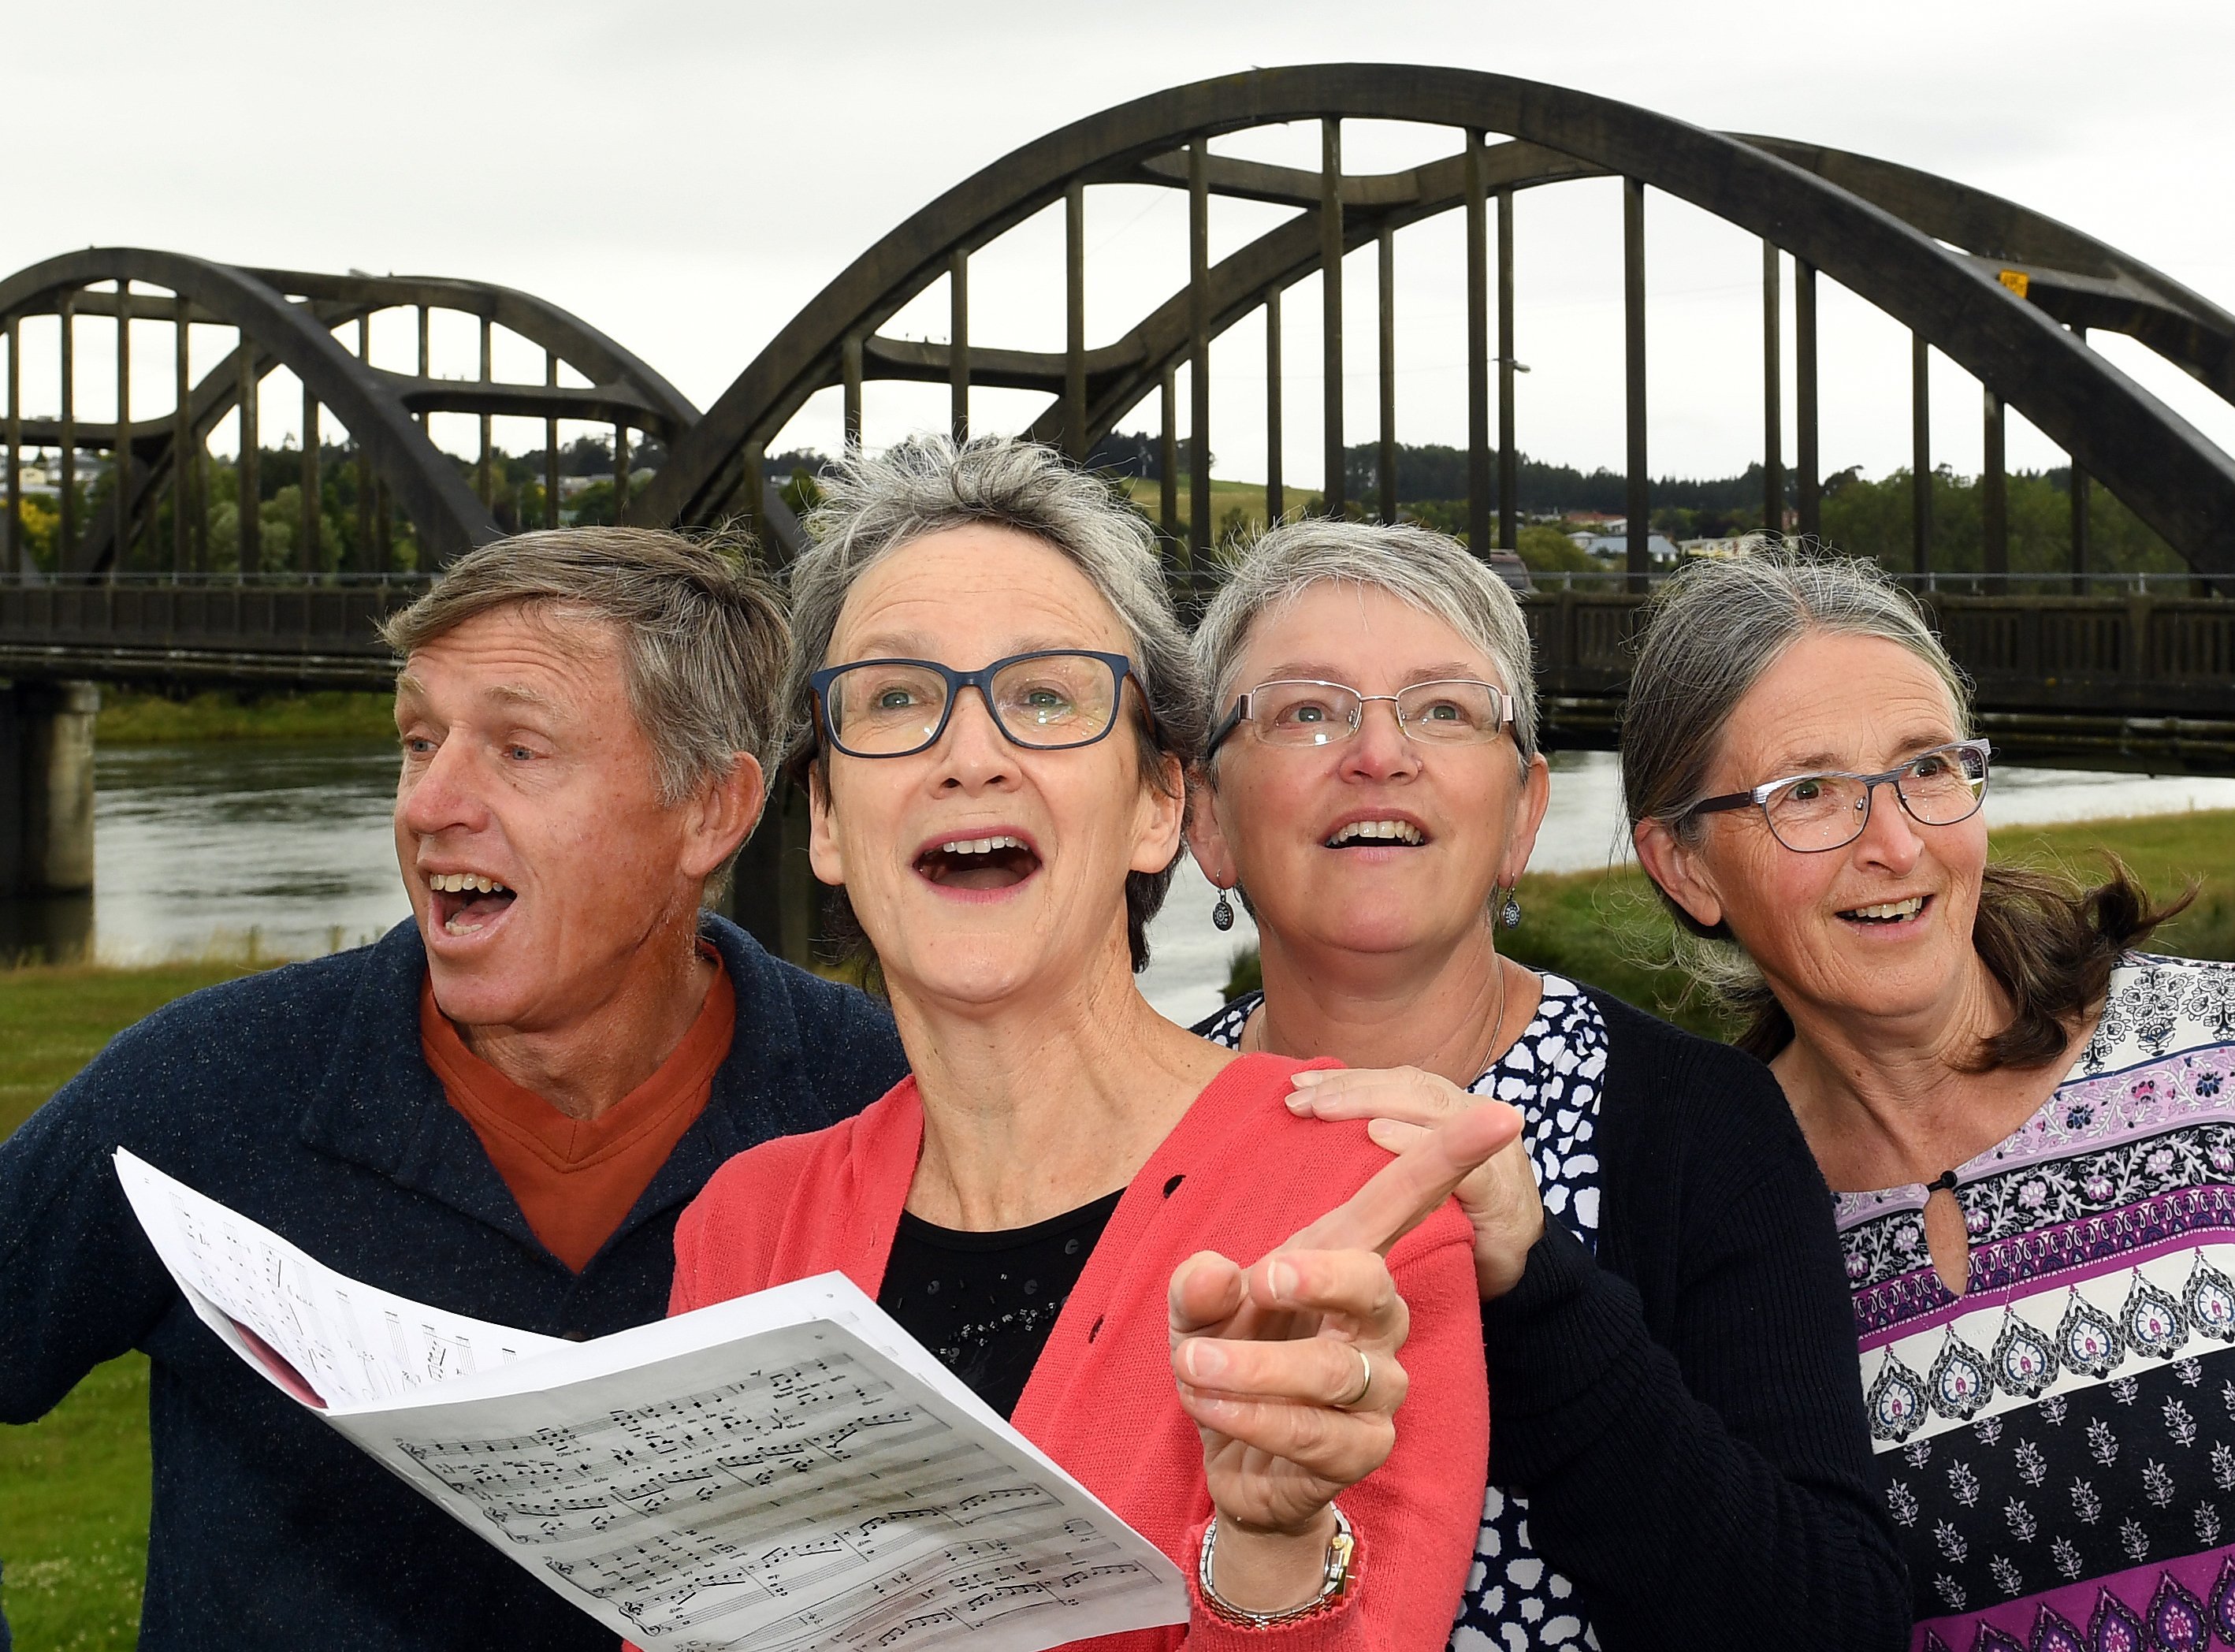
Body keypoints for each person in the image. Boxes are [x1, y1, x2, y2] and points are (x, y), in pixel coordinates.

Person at [0, 529, 907, 1650]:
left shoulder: (882, 1112)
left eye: (520, 750)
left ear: (712, 811)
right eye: (418, 740)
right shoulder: (199, 1094)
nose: (431, 804)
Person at [666, 437, 1496, 1647]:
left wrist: (1269, 1554)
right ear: (828, 820)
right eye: (894, 699)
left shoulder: (1351, 1199)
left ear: (1160, 805)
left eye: (1046, 696)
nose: (970, 755)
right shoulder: (746, 1231)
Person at [1184, 519, 1910, 1650]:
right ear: (1205, 818)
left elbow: (1833, 1625)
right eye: (1308, 710)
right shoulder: (1137, 1133)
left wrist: (1529, 1290)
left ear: (1523, 812)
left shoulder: (1691, 1122)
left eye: (1443, 711)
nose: (1379, 756)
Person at [1623, 547, 2235, 1650]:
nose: (1896, 844)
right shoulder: (1715, 1220)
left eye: (1929, 770)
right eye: (1807, 792)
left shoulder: (2219, 1058)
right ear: (1686, 868)